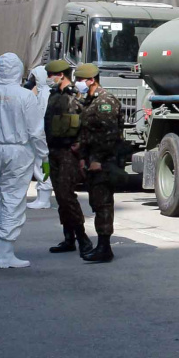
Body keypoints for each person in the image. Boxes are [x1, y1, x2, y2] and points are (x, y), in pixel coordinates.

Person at [0, 52, 48, 270]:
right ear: (19, 70)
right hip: (18, 152)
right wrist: (44, 156)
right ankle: (5, 255)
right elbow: (35, 131)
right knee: (12, 201)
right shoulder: (25, 96)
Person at [42, 60, 93, 255]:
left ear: (61, 75)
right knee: (60, 197)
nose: (49, 78)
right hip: (54, 150)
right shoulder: (54, 94)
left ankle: (83, 238)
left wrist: (81, 146)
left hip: (68, 152)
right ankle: (68, 238)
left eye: (51, 75)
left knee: (67, 196)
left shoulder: (76, 95)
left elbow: (87, 121)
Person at [73, 63, 120, 264]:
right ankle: (101, 246)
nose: (77, 83)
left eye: (80, 80)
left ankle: (104, 247)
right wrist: (83, 157)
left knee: (103, 203)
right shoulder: (89, 101)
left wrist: (98, 160)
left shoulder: (105, 101)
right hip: (91, 159)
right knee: (96, 201)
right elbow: (86, 133)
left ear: (91, 80)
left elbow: (109, 135)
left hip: (104, 161)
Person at [25, 64, 53, 209]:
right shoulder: (42, 93)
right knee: (39, 165)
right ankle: (42, 197)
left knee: (42, 166)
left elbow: (40, 118)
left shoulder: (45, 95)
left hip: (42, 136)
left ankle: (44, 199)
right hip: (40, 136)